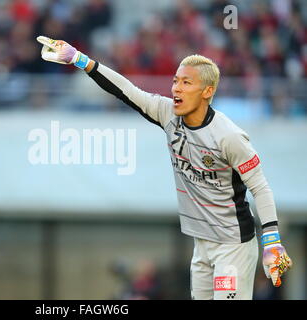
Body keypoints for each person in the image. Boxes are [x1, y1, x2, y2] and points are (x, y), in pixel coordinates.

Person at [36, 36, 293, 300]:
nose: (176, 89)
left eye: (186, 82)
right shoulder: (167, 114)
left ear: (207, 92)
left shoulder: (229, 136)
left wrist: (272, 241)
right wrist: (79, 59)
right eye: (175, 81)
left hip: (233, 245)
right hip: (201, 242)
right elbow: (126, 90)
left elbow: (260, 188)